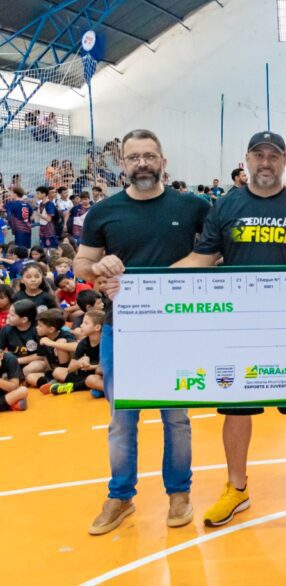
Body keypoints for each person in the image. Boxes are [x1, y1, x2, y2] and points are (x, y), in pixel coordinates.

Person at [173, 131, 286, 527]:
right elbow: (201, 258)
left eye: (273, 156)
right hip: (238, 327)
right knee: (235, 408)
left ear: (284, 162)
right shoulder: (227, 205)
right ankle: (237, 488)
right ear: (246, 159)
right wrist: (145, 281)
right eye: (258, 155)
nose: (266, 162)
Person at [74, 128, 211, 536]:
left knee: (177, 418)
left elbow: (214, 251)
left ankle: (179, 493)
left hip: (177, 328)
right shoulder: (104, 211)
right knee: (122, 418)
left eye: (149, 156)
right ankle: (120, 496)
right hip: (122, 329)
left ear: (163, 161)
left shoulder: (193, 206)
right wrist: (97, 268)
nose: (142, 164)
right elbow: (81, 263)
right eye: (134, 157)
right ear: (122, 164)